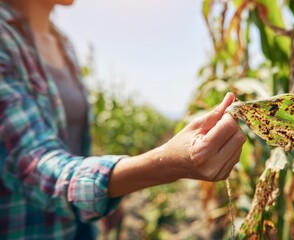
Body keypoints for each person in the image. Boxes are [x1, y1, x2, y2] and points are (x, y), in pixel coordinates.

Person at [0, 0, 246, 239]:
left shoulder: (63, 43)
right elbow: (32, 163)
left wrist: (112, 193)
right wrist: (168, 164)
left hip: (81, 228)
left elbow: (73, 140)